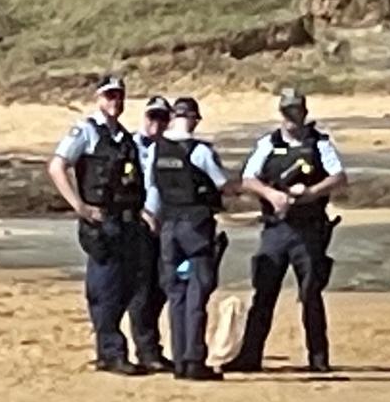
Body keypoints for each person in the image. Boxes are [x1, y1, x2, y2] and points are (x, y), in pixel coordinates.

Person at [224, 88, 347, 374]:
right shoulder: (267, 143)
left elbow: (339, 177)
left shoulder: (321, 144)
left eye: (296, 111)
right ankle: (250, 357)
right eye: (287, 112)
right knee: (263, 293)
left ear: (304, 113)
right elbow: (248, 179)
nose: (291, 118)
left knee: (311, 295)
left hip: (309, 229)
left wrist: (311, 192)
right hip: (276, 229)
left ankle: (318, 359)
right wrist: (272, 195)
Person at [47, 75, 152, 375]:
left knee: (126, 287)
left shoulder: (124, 137)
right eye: (109, 96)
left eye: (119, 96)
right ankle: (110, 353)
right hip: (102, 223)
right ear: (98, 98)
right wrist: (79, 206)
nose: (114, 102)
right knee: (104, 288)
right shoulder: (86, 132)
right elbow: (57, 166)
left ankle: (115, 351)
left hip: (128, 222)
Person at [143, 96, 238, 381]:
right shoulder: (199, 152)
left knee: (177, 294)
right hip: (195, 230)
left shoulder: (156, 151)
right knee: (196, 292)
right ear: (194, 119)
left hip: (170, 230)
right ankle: (194, 359)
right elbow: (222, 184)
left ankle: (181, 359)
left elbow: (153, 193)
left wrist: (154, 222)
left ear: (173, 117)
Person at [127, 95, 174, 372]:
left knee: (165, 285)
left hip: (168, 226)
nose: (156, 123)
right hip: (138, 225)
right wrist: (143, 214)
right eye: (152, 117)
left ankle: (153, 347)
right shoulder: (128, 146)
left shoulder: (172, 149)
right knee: (142, 290)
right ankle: (147, 350)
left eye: (162, 118)